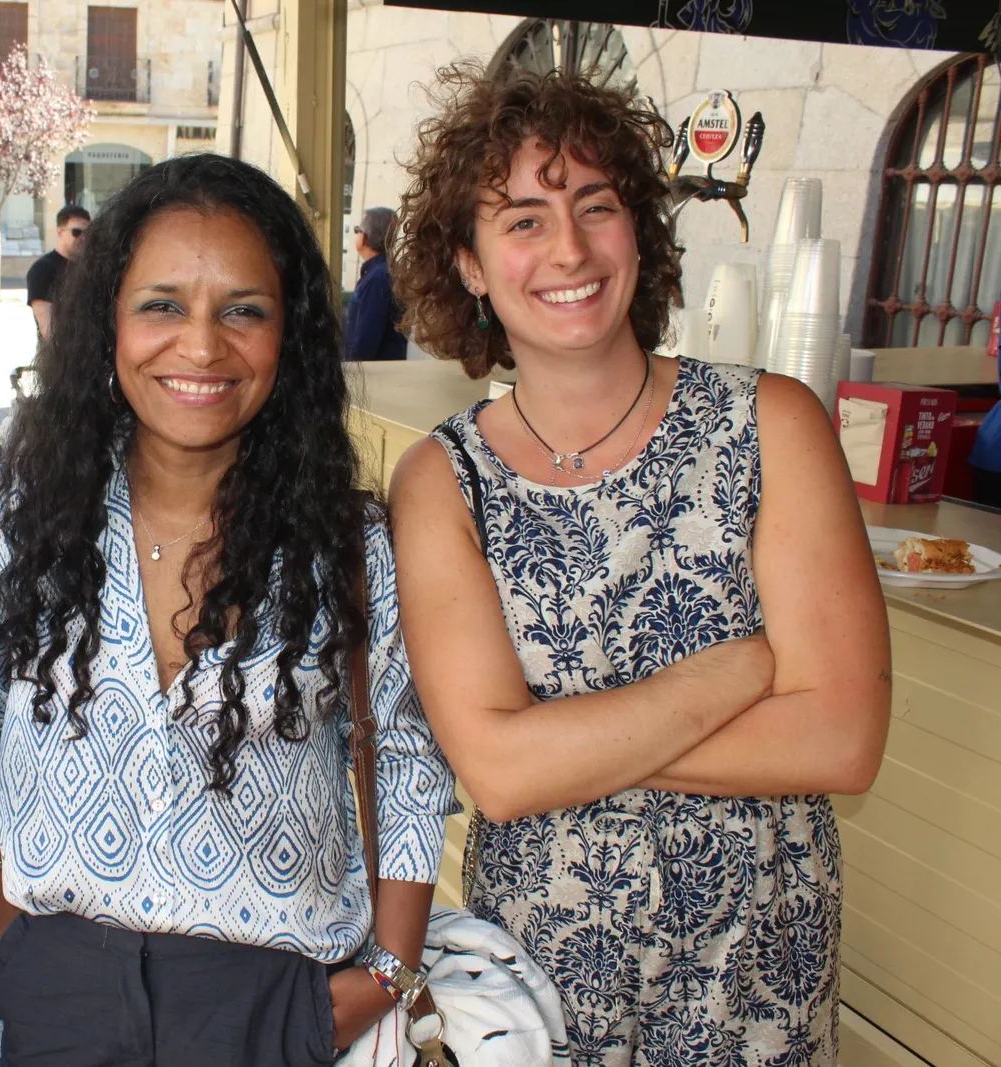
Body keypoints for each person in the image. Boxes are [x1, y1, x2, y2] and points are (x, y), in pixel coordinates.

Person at [386, 65, 891, 1066]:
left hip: (758, 972)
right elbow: (496, 772)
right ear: (471, 265)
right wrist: (737, 672)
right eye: (522, 220)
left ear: (640, 229)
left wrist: (559, 743)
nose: (568, 248)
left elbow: (840, 738)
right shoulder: (443, 480)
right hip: (541, 982)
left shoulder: (769, 425)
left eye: (595, 205)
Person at [0, 152, 456, 1066]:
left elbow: (407, 751)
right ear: (106, 318)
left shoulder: (349, 544)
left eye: (242, 310)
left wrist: (388, 967)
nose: (200, 346)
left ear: (290, 334)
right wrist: (1, 912)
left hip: (274, 1004)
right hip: (60, 989)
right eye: (161, 305)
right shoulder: (17, 508)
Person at [345, 206, 408, 361]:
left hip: (374, 378)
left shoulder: (377, 279)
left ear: (365, 237)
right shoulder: (384, 273)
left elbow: (365, 343)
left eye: (357, 229)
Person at [24, 204, 90, 339]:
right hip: (62, 357)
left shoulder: (92, 267)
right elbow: (48, 331)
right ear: (60, 232)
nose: (83, 238)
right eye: (77, 232)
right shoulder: (42, 270)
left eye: (88, 233)